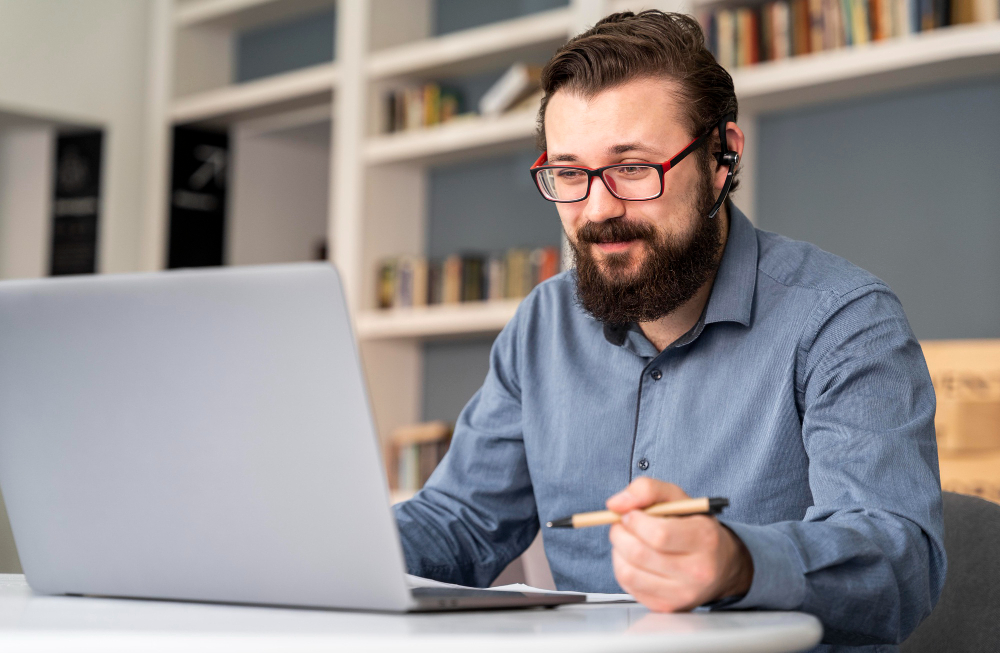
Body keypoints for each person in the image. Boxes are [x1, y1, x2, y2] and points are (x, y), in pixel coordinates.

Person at [393, 10, 945, 650]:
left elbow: (898, 560)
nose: (598, 210)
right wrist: (326, 551)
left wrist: (737, 561)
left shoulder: (844, 320)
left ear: (722, 156)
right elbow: (461, 522)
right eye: (570, 174)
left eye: (632, 168)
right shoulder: (541, 324)